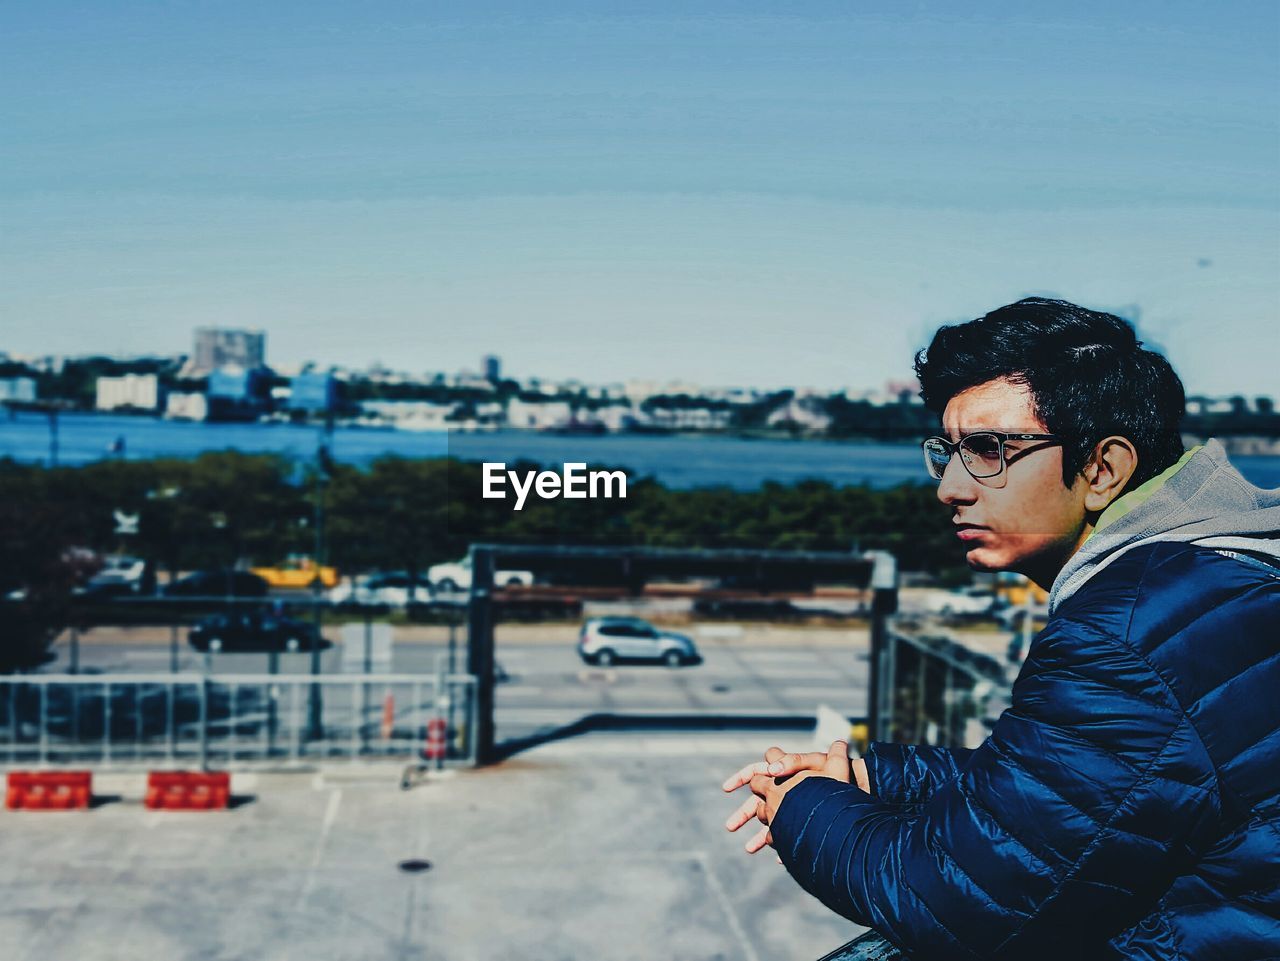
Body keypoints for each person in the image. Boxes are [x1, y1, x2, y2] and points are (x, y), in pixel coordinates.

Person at [724, 299, 1280, 960]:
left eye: (989, 450)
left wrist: (797, 805)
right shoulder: (1216, 577)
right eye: (948, 452)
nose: (950, 488)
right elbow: (1081, 788)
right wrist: (879, 775)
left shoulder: (1125, 638)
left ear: (1102, 468)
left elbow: (947, 900)